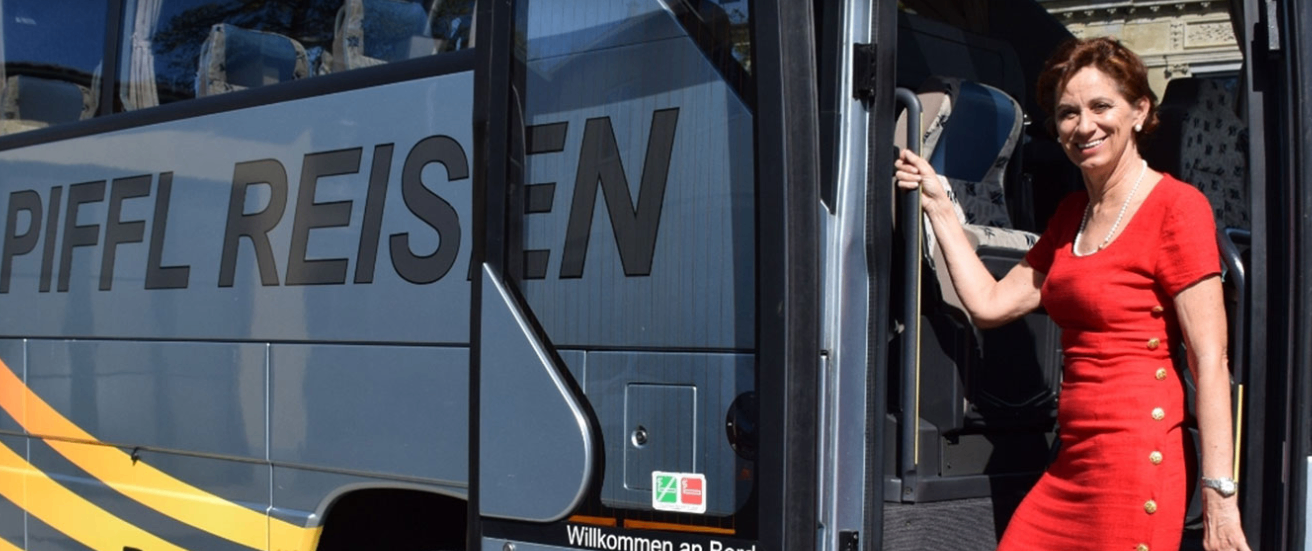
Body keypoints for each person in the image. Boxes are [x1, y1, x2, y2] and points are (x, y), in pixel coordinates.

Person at [894, 37, 1251, 551]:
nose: (1084, 126)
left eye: (1101, 106)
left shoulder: (1178, 207)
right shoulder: (1069, 217)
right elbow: (990, 304)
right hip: (1072, 464)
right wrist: (942, 209)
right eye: (1067, 113)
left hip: (1136, 466)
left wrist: (1220, 500)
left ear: (1139, 111)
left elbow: (1210, 360)